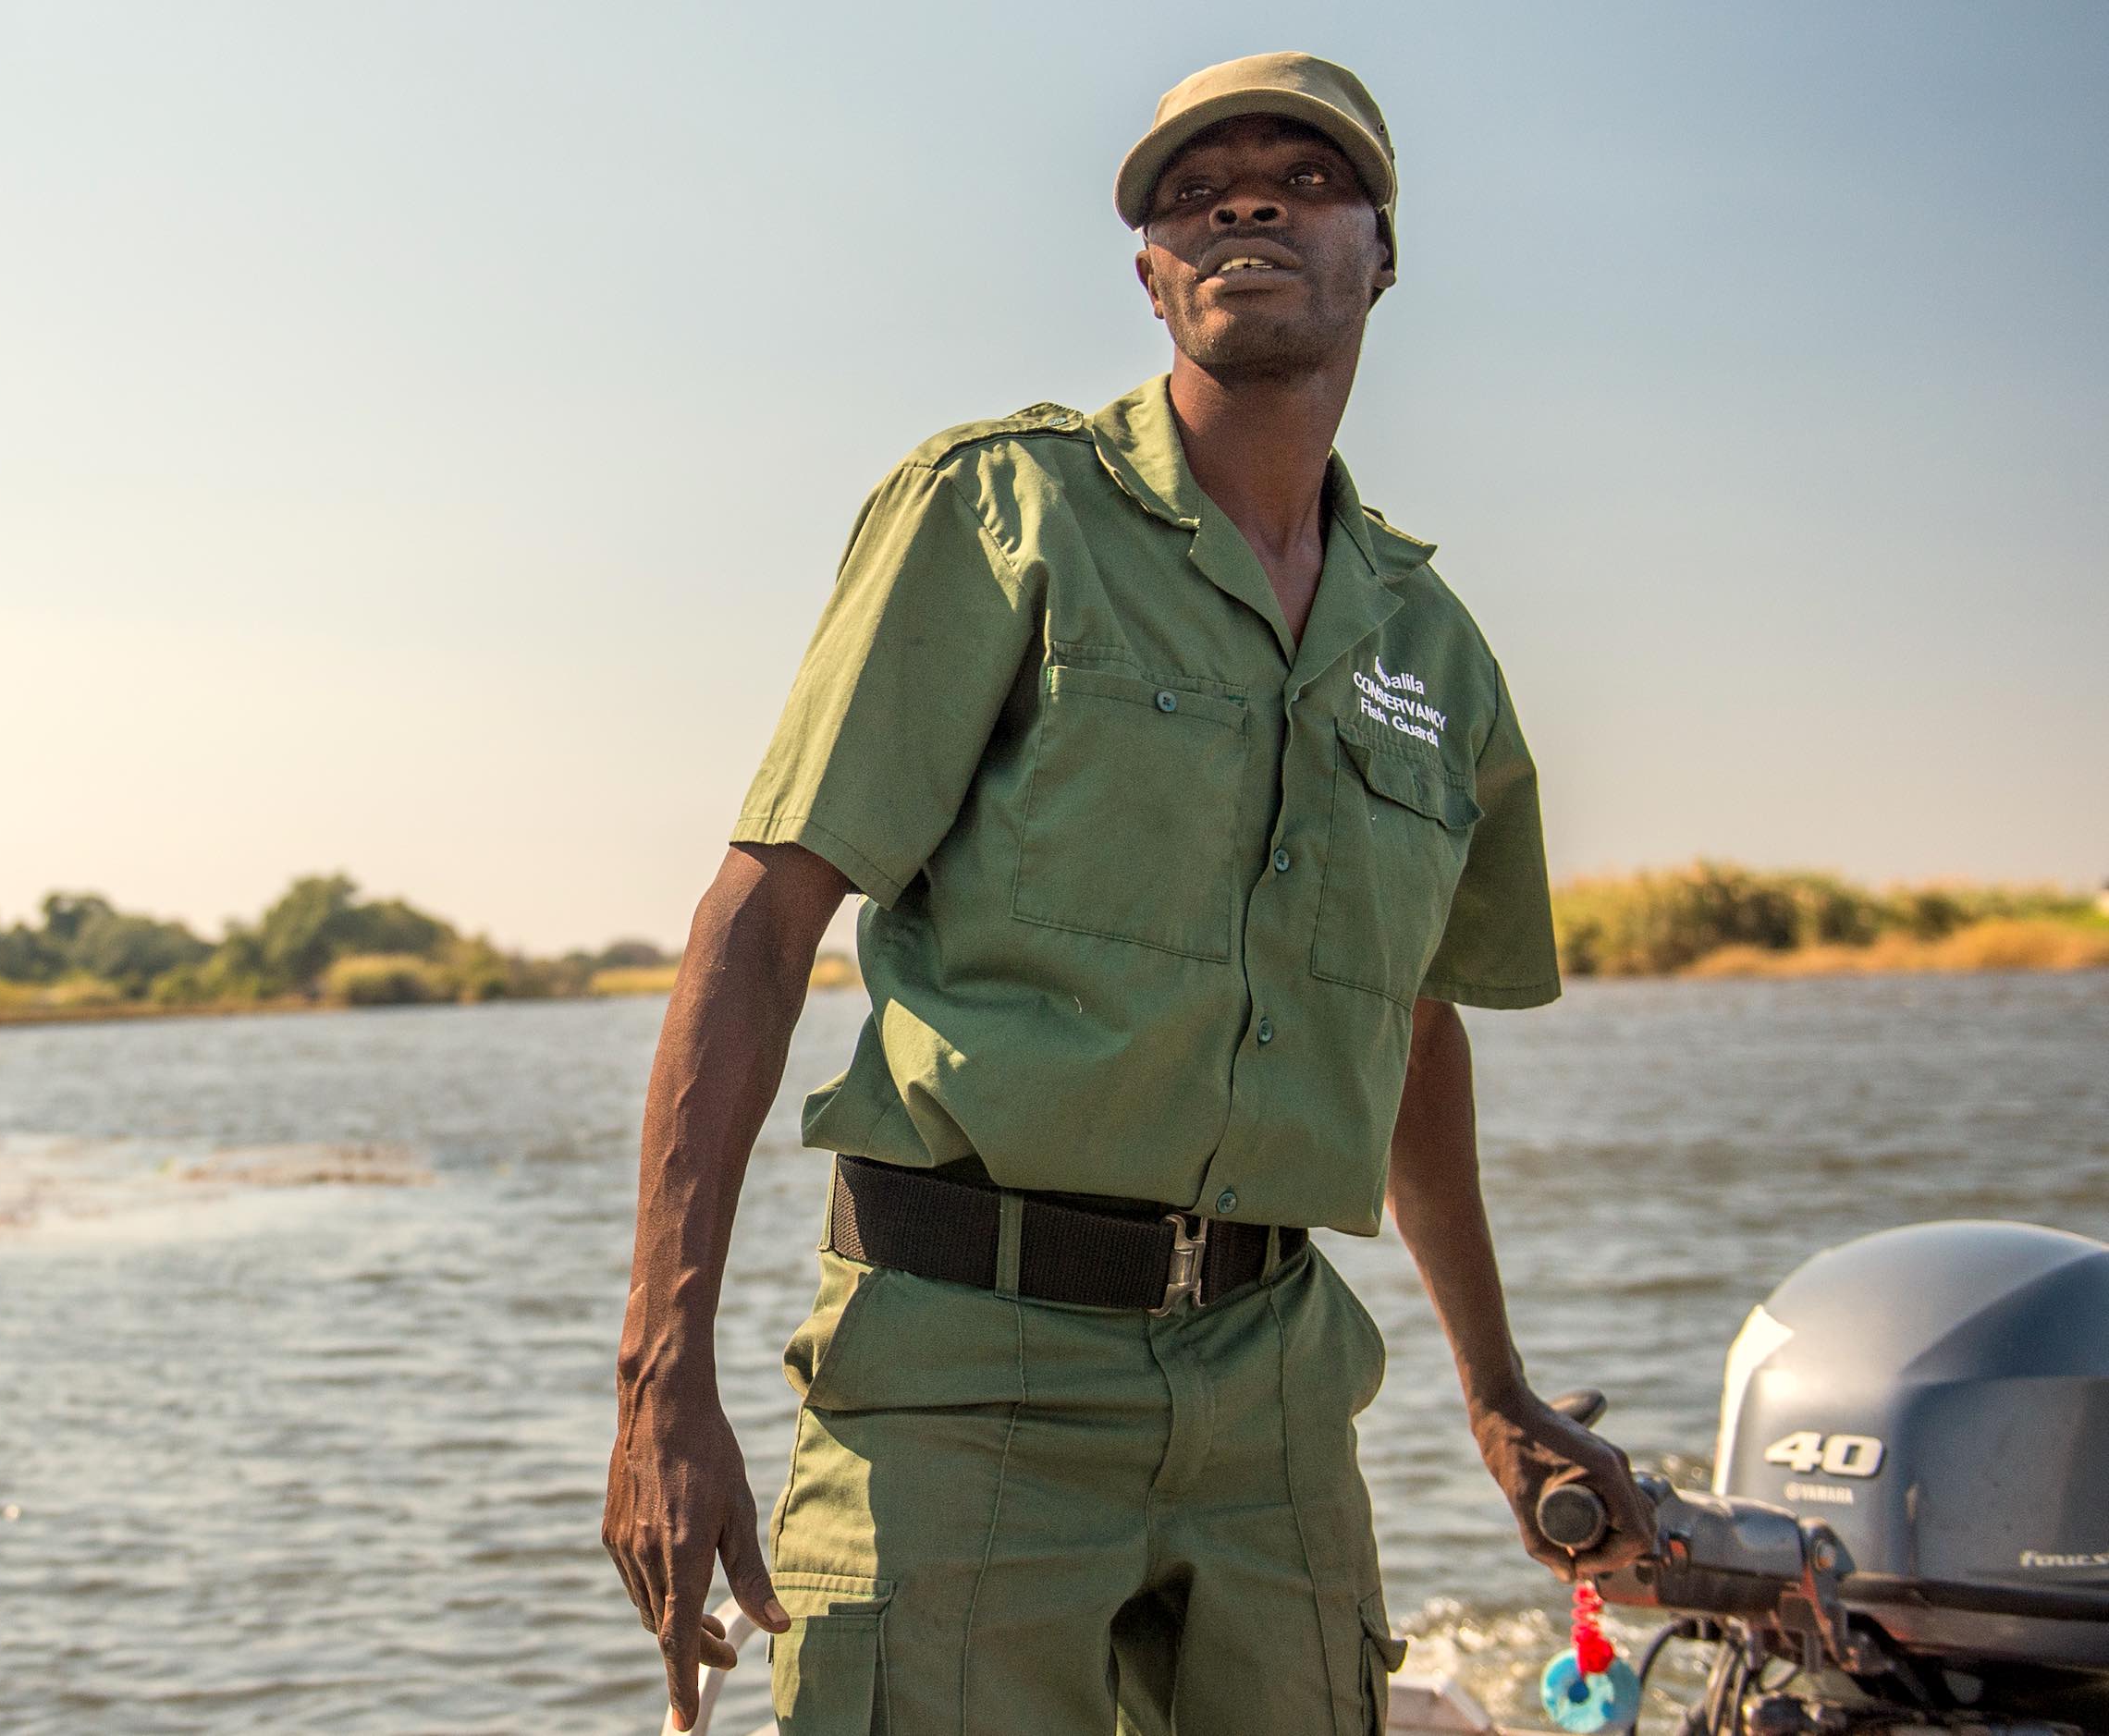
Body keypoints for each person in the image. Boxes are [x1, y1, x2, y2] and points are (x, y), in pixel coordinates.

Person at [603, 50, 1656, 1735]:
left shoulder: (1430, 650)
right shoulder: (1001, 514)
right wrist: (664, 1376)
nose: (1244, 202)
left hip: (1274, 1395)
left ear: (1383, 253)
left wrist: (1497, 1388)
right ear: (1151, 273)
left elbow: (1414, 1027)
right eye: (1192, 190)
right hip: (960, 1372)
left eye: (1304, 179)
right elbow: (761, 916)